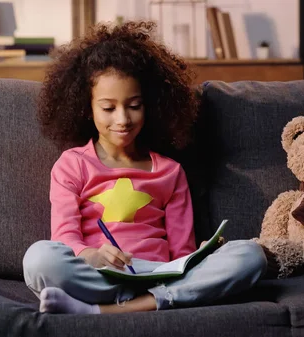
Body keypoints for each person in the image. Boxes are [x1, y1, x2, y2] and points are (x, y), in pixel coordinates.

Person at [23, 20, 266, 315]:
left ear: (149, 105)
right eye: (109, 108)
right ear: (87, 108)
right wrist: (93, 255)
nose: (123, 119)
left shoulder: (170, 171)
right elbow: (65, 237)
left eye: (134, 105)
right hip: (100, 273)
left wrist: (199, 259)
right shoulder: (72, 165)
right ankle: (158, 302)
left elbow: (181, 251)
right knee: (39, 258)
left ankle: (106, 310)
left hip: (158, 274)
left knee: (250, 255)